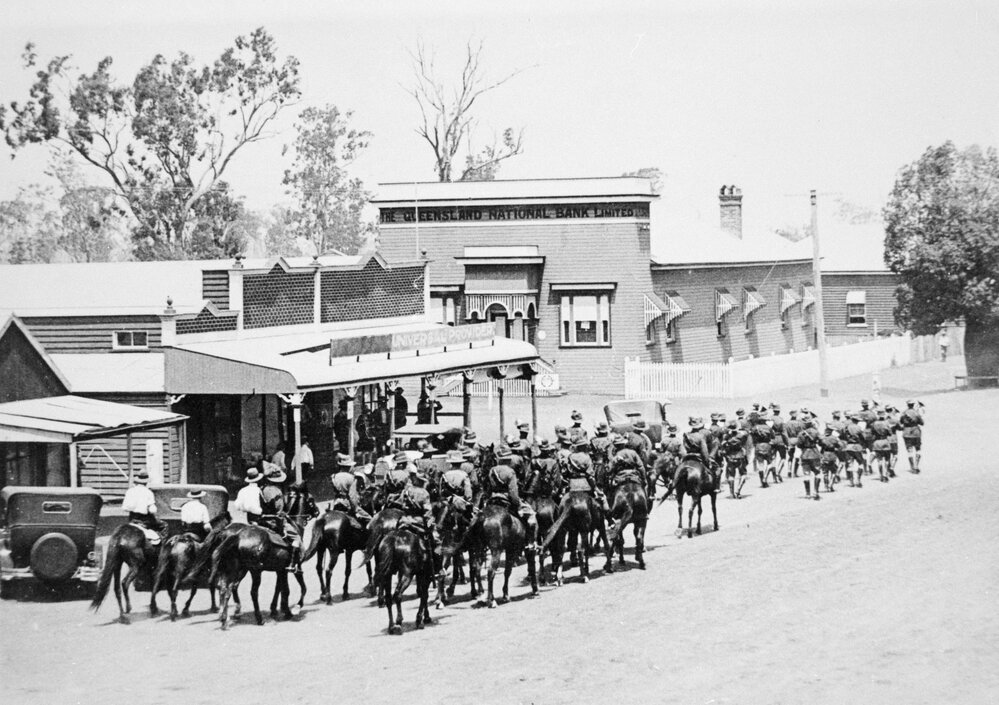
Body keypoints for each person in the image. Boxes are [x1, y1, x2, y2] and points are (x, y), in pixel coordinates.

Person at [483, 449, 538, 549]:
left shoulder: (492, 470)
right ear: (508, 460)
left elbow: (488, 488)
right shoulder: (510, 472)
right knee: (531, 515)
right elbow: (513, 493)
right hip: (506, 498)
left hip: (493, 498)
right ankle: (530, 542)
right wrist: (517, 503)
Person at [330, 454, 372, 525]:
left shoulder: (334, 476)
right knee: (369, 519)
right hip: (347, 504)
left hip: (336, 503)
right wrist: (355, 509)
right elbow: (352, 497)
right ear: (349, 467)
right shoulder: (351, 478)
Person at [121, 471, 162, 538]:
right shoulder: (148, 492)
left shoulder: (130, 491)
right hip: (144, 521)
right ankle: (160, 546)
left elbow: (125, 508)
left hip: (132, 519)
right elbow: (153, 510)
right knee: (164, 526)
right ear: (146, 482)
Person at [720, 420, 750, 499]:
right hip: (740, 456)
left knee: (731, 475)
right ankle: (738, 490)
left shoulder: (727, 437)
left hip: (730, 457)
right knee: (743, 474)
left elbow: (723, 444)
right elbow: (745, 439)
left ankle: (731, 492)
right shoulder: (741, 436)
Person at [796, 419, 822, 500]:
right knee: (817, 473)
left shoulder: (801, 434)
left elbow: (799, 445)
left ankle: (807, 494)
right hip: (815, 453)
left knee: (806, 474)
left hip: (805, 454)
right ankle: (816, 492)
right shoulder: (816, 432)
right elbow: (821, 442)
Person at [750, 411, 777, 487]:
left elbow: (752, 437)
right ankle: (765, 477)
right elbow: (773, 437)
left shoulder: (754, 428)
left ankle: (762, 482)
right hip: (767, 446)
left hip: (758, 446)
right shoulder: (768, 428)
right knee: (770, 463)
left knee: (760, 465)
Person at [899, 399, 924, 473]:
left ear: (907, 405)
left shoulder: (904, 413)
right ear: (913, 405)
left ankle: (912, 466)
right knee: (918, 449)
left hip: (906, 433)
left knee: (909, 450)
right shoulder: (916, 413)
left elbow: (901, 422)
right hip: (916, 432)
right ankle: (916, 465)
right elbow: (922, 423)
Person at [869, 409, 894, 482]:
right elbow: (890, 433)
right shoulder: (886, 423)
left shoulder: (874, 424)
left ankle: (881, 475)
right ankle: (885, 474)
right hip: (885, 442)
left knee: (879, 460)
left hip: (877, 442)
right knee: (887, 460)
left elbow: (872, 433)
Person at [817, 425, 842, 495]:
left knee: (825, 472)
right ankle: (831, 485)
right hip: (832, 455)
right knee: (834, 471)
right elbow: (839, 446)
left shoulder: (822, 438)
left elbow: (819, 444)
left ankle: (826, 486)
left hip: (824, 455)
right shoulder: (834, 438)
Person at [784, 408, 803, 478]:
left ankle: (789, 471)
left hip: (790, 440)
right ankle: (795, 472)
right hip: (797, 440)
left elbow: (785, 433)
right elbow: (801, 433)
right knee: (797, 457)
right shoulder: (799, 423)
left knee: (790, 457)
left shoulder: (787, 423)